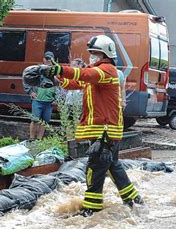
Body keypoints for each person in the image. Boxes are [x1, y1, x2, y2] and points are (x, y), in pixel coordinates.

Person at [41, 35, 144, 217]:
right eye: (91, 53)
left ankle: (92, 208)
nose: (92, 56)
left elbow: (85, 75)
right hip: (107, 130)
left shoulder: (107, 70)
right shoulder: (97, 72)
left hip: (104, 131)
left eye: (95, 53)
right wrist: (58, 80)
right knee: (113, 166)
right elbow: (78, 82)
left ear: (105, 54)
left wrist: (59, 69)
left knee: (94, 168)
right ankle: (133, 201)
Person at [23, 51, 57, 140]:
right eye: (47, 58)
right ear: (43, 59)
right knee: (35, 120)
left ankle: (39, 139)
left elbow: (59, 86)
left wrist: (56, 98)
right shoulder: (37, 69)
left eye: (50, 59)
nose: (48, 60)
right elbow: (26, 79)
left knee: (44, 122)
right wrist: (30, 92)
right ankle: (31, 139)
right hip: (37, 100)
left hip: (49, 101)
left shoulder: (56, 71)